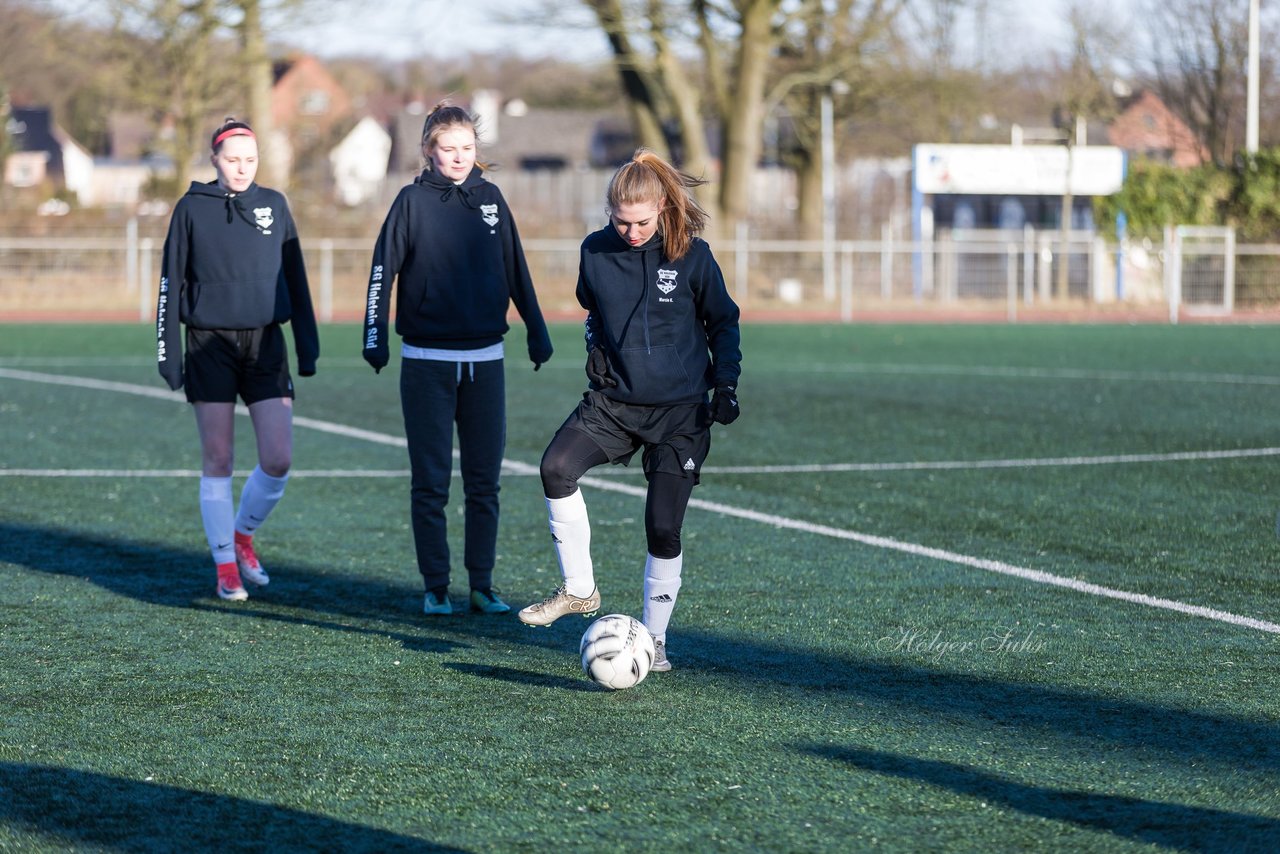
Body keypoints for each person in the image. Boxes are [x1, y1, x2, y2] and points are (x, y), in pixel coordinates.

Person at [518, 149, 742, 673]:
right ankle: (579, 589)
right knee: (556, 467)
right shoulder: (595, 252)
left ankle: (656, 641)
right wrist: (596, 347)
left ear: (662, 208)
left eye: (641, 222)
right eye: (622, 222)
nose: (632, 232)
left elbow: (723, 323)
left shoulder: (694, 255)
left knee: (662, 526)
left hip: (680, 412)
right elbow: (593, 308)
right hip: (614, 404)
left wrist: (726, 385)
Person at [362, 101, 554, 617]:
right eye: (448, 149)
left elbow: (515, 269)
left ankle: (482, 585)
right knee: (430, 483)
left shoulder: (491, 199)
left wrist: (536, 328)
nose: (458, 157)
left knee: (484, 482)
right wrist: (373, 334)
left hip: (486, 362)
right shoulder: (410, 202)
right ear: (428, 151)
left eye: (467, 148)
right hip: (426, 362)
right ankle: (436, 586)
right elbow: (383, 269)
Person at [156, 117, 319, 601]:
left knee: (278, 458)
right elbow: (170, 282)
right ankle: (225, 564)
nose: (242, 168)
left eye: (250, 159)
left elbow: (297, 277)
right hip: (208, 345)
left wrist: (307, 344)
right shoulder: (191, 208)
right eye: (232, 159)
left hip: (266, 343)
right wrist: (167, 352)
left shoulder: (274, 204)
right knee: (219, 459)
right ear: (214, 159)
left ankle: (244, 534)